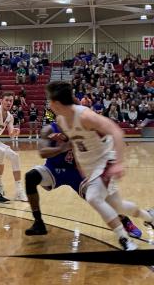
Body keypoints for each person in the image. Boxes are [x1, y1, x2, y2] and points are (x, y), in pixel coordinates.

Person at [45, 81, 153, 250]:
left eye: (49, 100)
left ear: (57, 103)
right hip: (90, 164)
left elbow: (117, 131)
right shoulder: (61, 119)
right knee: (117, 205)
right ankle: (150, 216)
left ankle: (124, 239)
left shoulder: (85, 116)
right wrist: (80, 166)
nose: (48, 103)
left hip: (105, 158)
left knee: (93, 197)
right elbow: (76, 142)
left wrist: (118, 163)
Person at [24, 122, 142, 239]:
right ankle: (38, 222)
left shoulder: (82, 128)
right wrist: (62, 148)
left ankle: (125, 220)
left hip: (78, 172)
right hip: (54, 169)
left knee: (101, 199)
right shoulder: (49, 129)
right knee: (30, 176)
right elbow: (42, 152)